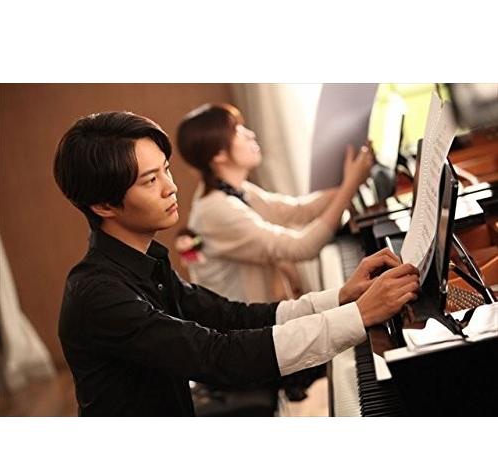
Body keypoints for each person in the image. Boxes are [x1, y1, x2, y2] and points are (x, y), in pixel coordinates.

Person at [53, 111, 419, 416]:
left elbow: (232, 316)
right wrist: (358, 315)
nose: (171, 188)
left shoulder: (148, 262)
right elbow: (218, 355)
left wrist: (340, 298)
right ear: (104, 206)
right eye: (151, 180)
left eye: (166, 170)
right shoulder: (99, 296)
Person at [177, 103, 375, 303]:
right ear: (218, 154)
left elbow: (298, 210)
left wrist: (350, 182)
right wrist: (349, 186)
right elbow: (302, 247)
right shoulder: (216, 210)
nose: (250, 134)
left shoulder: (235, 189)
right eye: (237, 131)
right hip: (243, 321)